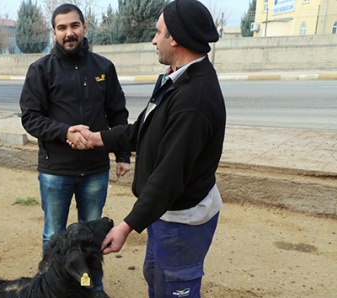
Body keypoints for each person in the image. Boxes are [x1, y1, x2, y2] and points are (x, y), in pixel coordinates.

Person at [68, 0, 226, 297]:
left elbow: (169, 177)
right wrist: (96, 138)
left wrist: (126, 227)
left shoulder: (193, 100)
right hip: (162, 213)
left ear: (175, 39)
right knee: (156, 275)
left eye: (158, 32)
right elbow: (142, 130)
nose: (154, 40)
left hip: (182, 217)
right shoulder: (176, 78)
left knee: (175, 286)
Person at [19, 4, 130, 297]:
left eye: (74, 26)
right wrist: (64, 132)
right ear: (54, 32)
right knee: (53, 235)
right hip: (56, 171)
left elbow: (118, 114)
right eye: (62, 28)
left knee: (91, 236)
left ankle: (93, 287)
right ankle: (51, 288)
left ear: (84, 27)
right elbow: (30, 117)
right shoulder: (41, 70)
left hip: (95, 169)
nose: (69, 33)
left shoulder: (104, 68)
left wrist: (122, 155)